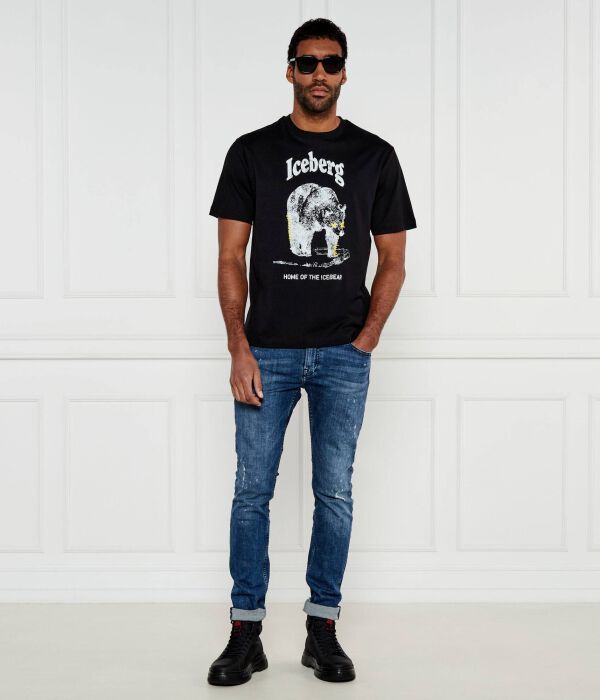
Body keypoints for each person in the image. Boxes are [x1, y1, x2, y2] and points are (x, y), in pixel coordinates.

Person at [206, 17, 417, 686]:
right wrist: (239, 347)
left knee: (335, 492)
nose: (319, 73)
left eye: (330, 62)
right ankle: (245, 632)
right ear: (290, 70)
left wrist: (366, 339)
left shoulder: (375, 156)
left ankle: (321, 627)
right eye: (307, 62)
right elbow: (230, 256)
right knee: (251, 492)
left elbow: (393, 259)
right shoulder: (252, 152)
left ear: (345, 72)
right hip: (266, 351)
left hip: (342, 355)